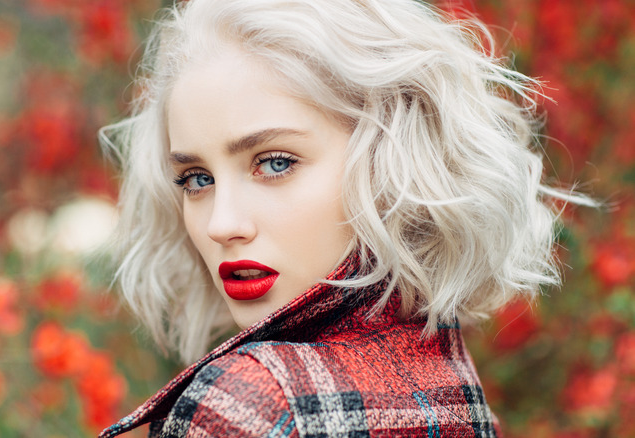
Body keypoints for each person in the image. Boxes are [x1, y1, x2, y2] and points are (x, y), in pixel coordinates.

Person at [98, 0, 586, 436]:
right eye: (196, 179)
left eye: (275, 163)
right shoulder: (451, 386)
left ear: (388, 160)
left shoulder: (254, 402)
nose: (221, 225)